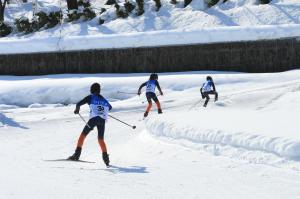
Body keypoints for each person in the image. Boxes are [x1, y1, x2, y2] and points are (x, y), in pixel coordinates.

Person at [68, 83, 112, 167]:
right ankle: (106, 160)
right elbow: (110, 107)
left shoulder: (90, 97)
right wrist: (102, 110)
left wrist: (77, 110)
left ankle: (76, 155)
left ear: (92, 90)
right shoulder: (104, 99)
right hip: (102, 120)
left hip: (93, 119)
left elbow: (78, 104)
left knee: (82, 136)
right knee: (101, 139)